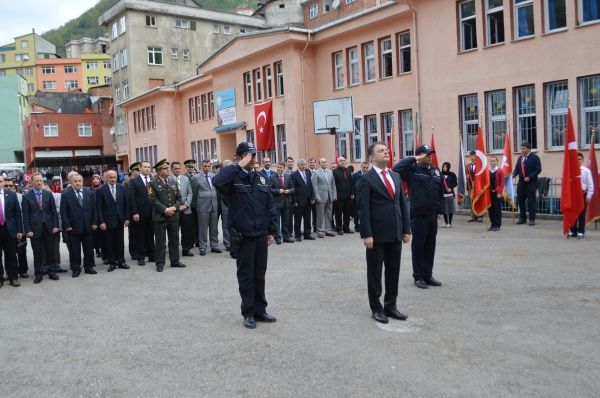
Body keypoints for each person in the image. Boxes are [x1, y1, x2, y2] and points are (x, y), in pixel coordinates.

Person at [213, 142, 278, 329]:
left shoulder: (261, 179)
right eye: (248, 155)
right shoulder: (233, 179)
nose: (252, 159)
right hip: (243, 235)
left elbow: (269, 207)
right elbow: (217, 183)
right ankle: (248, 312)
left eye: (253, 156)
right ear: (239, 157)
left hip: (260, 234)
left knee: (259, 275)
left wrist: (271, 231)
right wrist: (237, 167)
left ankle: (260, 310)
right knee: (246, 276)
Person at [357, 142, 411, 323]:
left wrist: (406, 229)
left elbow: (402, 203)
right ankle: (376, 308)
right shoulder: (365, 179)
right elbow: (363, 209)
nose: (386, 152)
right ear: (371, 158)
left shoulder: (395, 176)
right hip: (376, 235)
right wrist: (366, 234)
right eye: (381, 151)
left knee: (393, 271)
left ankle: (391, 306)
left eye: (386, 150)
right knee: (375, 272)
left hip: (395, 232)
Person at [394, 144, 444, 290]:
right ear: (419, 155)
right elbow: (396, 168)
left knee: (430, 246)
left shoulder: (435, 171)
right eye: (426, 154)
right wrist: (415, 158)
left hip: (432, 215)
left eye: (430, 154)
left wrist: (439, 209)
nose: (429, 156)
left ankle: (428, 275)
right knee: (418, 246)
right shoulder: (412, 170)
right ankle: (418, 276)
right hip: (418, 215)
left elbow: (439, 191)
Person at [147, 159, 186, 272]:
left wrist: (174, 207)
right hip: (160, 216)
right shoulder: (152, 183)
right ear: (159, 171)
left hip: (173, 215)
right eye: (165, 168)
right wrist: (165, 209)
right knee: (160, 241)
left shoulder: (172, 182)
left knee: (174, 239)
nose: (168, 170)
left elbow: (179, 198)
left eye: (167, 168)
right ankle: (160, 263)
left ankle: (175, 261)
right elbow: (152, 200)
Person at [22, 172, 60, 284]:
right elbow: (25, 215)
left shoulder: (48, 194)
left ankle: (51, 271)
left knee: (50, 251)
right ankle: (38, 274)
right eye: (37, 181)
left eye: (41, 181)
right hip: (35, 230)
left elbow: (53, 212)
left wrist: (55, 225)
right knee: (37, 253)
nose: (39, 182)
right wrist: (28, 230)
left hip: (48, 228)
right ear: (32, 182)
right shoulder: (26, 196)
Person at [61, 174, 98, 277]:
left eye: (80, 181)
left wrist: (95, 222)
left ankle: (89, 267)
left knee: (89, 249)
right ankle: (76, 269)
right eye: (75, 181)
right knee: (75, 250)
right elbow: (63, 212)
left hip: (88, 226)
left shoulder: (89, 193)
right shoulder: (65, 194)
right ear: (71, 183)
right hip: (73, 227)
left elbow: (94, 209)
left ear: (82, 182)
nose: (78, 183)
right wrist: (67, 225)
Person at [96, 170, 130, 271]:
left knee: (120, 242)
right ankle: (112, 263)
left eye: (114, 177)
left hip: (120, 220)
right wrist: (101, 221)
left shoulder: (121, 188)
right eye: (110, 177)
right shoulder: (100, 190)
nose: (113, 179)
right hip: (107, 221)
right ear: (106, 178)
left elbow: (126, 204)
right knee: (109, 243)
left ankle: (121, 261)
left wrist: (127, 218)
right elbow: (98, 208)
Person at [127, 161, 156, 265]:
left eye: (149, 167)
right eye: (145, 167)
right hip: (140, 213)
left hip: (152, 212)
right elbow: (132, 198)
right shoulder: (134, 181)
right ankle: (141, 256)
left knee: (150, 234)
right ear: (140, 168)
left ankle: (152, 255)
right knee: (140, 235)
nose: (147, 169)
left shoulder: (153, 180)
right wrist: (134, 212)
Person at [0, 175, 24, 287]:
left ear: (3, 182)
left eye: (0, 181)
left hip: (9, 229)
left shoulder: (11, 195)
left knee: (11, 255)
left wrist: (19, 229)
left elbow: (17, 214)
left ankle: (13, 277)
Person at [193, 160, 221, 256]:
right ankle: (202, 247)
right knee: (203, 228)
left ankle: (214, 245)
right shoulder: (196, 178)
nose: (207, 168)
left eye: (208, 166)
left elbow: (216, 190)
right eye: (205, 166)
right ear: (201, 166)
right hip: (202, 206)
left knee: (214, 227)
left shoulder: (213, 176)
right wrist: (197, 205)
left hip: (214, 205)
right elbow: (194, 193)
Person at [512, 142, 542, 225]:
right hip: (521, 182)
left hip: (531, 182)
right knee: (520, 200)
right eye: (521, 148)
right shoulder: (520, 158)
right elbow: (517, 169)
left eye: (523, 148)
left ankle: (532, 219)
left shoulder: (535, 158)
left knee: (531, 201)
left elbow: (538, 169)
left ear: (529, 149)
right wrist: (513, 175)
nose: (522, 150)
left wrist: (530, 177)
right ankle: (522, 218)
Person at [4, 179, 29, 279]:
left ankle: (23, 270)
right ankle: (9, 272)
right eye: (6, 186)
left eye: (11, 186)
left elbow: (24, 214)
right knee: (8, 253)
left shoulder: (21, 197)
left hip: (20, 228)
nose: (9, 187)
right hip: (7, 230)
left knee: (21, 251)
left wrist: (23, 229)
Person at [169, 161, 194, 256]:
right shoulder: (168, 179)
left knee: (187, 230)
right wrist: (177, 206)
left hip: (186, 209)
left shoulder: (185, 179)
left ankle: (186, 250)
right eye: (175, 168)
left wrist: (186, 205)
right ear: (171, 169)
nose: (177, 170)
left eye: (179, 168)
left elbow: (190, 193)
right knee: (174, 232)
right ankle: (174, 251)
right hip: (174, 209)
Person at [570, 152, 595, 238]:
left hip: (582, 194)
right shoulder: (570, 170)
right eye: (576, 159)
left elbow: (590, 184)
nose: (577, 160)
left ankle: (581, 231)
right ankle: (572, 230)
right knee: (572, 213)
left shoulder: (586, 171)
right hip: (573, 195)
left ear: (582, 160)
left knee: (581, 214)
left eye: (579, 159)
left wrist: (589, 195)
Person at [270, 161, 295, 244]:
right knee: (277, 221)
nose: (279, 169)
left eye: (281, 167)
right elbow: (269, 189)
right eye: (278, 167)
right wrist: (278, 191)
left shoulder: (288, 176)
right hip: (276, 203)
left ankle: (286, 237)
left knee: (286, 221)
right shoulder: (272, 177)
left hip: (286, 202)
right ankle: (277, 237)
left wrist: (289, 191)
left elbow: (293, 188)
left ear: (284, 168)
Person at [311, 157, 337, 238]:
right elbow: (314, 185)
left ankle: (328, 229)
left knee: (329, 213)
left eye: (325, 162)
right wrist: (317, 196)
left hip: (330, 195)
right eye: (322, 162)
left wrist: (334, 194)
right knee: (320, 214)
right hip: (321, 196)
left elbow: (333, 184)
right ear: (319, 163)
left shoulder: (330, 172)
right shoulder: (315, 173)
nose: (324, 163)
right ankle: (320, 230)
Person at [291, 159, 315, 241]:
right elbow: (293, 189)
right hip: (299, 201)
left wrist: (312, 197)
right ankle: (297, 235)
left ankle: (307, 234)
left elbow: (310, 186)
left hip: (308, 200)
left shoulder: (308, 173)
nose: (304, 166)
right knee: (298, 219)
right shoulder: (294, 175)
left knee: (307, 218)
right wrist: (294, 201)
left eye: (305, 164)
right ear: (298, 165)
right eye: (302, 164)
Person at [332, 156, 354, 235]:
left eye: (344, 160)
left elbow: (351, 183)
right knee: (338, 213)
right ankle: (339, 229)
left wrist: (352, 193)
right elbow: (333, 184)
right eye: (341, 161)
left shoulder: (348, 170)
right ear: (338, 162)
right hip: (339, 196)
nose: (343, 162)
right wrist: (334, 195)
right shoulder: (334, 171)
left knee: (347, 213)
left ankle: (346, 228)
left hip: (348, 196)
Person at [124, 162, 141, 260]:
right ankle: (133, 251)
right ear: (133, 172)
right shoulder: (128, 184)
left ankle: (144, 249)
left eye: (139, 170)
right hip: (132, 212)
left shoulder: (146, 181)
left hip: (144, 211)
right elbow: (127, 200)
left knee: (143, 232)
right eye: (137, 170)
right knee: (134, 233)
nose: (138, 172)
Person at [183, 159, 200, 249]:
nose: (191, 169)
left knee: (198, 224)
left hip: (197, 204)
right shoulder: (183, 177)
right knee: (190, 225)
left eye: (192, 167)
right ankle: (191, 241)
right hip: (188, 204)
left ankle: (198, 240)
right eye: (189, 167)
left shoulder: (197, 176)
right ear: (186, 168)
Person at [351, 161, 370, 230]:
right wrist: (352, 193)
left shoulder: (369, 174)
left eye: (366, 168)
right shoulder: (355, 175)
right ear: (361, 167)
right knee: (357, 211)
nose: (365, 169)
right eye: (364, 167)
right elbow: (352, 185)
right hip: (357, 196)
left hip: (367, 196)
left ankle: (365, 225)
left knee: (365, 211)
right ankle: (357, 225)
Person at [487, 157, 505, 231]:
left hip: (497, 193)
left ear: (497, 162)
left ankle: (497, 225)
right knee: (490, 210)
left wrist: (500, 193)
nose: (492, 162)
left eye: (494, 161)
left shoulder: (500, 171)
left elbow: (502, 183)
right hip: (489, 193)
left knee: (497, 210)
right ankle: (492, 224)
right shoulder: (488, 171)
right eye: (491, 161)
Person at [466, 151, 482, 222]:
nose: (472, 158)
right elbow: (466, 175)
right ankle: (473, 216)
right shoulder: (467, 166)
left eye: (473, 156)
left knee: (478, 200)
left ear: (476, 157)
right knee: (471, 201)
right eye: (471, 156)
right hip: (470, 186)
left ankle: (479, 216)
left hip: (478, 186)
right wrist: (466, 177)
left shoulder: (480, 165)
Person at [440, 162, 457, 228]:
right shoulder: (440, 174)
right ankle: (445, 222)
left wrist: (450, 187)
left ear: (448, 167)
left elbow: (455, 183)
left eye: (446, 166)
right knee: (444, 209)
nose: (444, 167)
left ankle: (449, 223)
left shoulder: (452, 174)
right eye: (443, 166)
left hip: (449, 194)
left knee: (450, 209)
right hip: (443, 194)